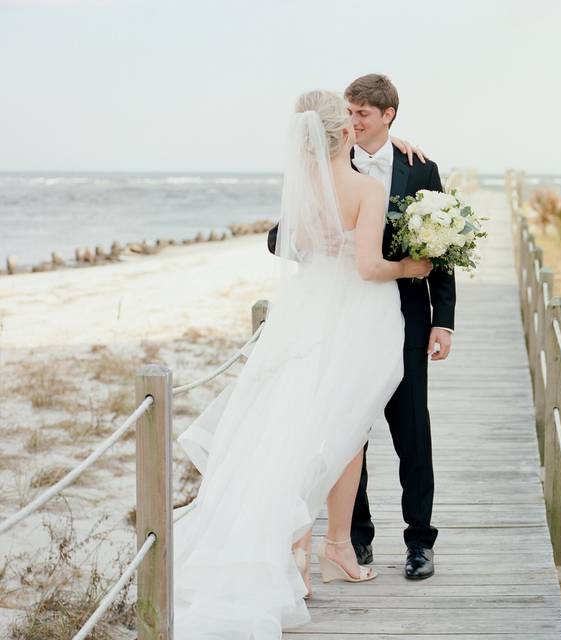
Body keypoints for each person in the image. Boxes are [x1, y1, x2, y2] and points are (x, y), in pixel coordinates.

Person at [172, 89, 431, 638]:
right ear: (344, 132)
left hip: (306, 312)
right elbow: (367, 267)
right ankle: (329, 545)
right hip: (360, 317)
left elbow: (303, 247)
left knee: (298, 426)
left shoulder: (304, 187)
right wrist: (411, 267)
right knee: (347, 430)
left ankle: (303, 551)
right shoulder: (365, 186)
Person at [267, 74, 456, 580]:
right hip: (347, 316)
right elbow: (278, 236)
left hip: (408, 318)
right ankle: (356, 538)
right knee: (349, 430)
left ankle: (420, 541)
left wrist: (445, 322)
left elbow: (443, 247)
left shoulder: (421, 168)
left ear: (388, 115)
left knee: (412, 430)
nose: (352, 121)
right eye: (347, 113)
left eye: (362, 114)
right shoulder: (328, 161)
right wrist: (312, 242)